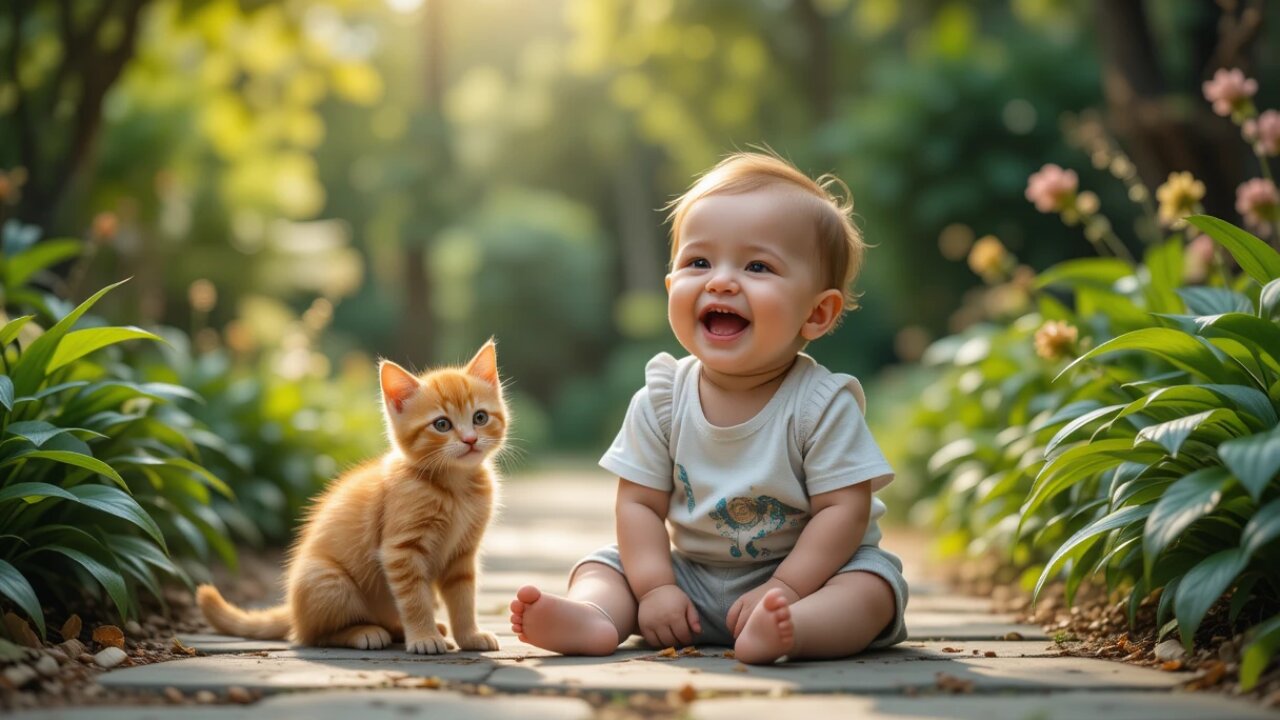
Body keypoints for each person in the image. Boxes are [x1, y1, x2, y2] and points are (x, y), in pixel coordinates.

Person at [509, 151, 908, 664]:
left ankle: (795, 632)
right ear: (672, 286)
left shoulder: (820, 403)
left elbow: (843, 510)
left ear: (817, 313)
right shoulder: (662, 398)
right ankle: (594, 616)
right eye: (698, 262)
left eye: (757, 266)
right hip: (687, 581)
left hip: (807, 578)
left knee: (871, 586)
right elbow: (638, 506)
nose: (720, 281)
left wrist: (785, 587)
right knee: (608, 566)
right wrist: (654, 588)